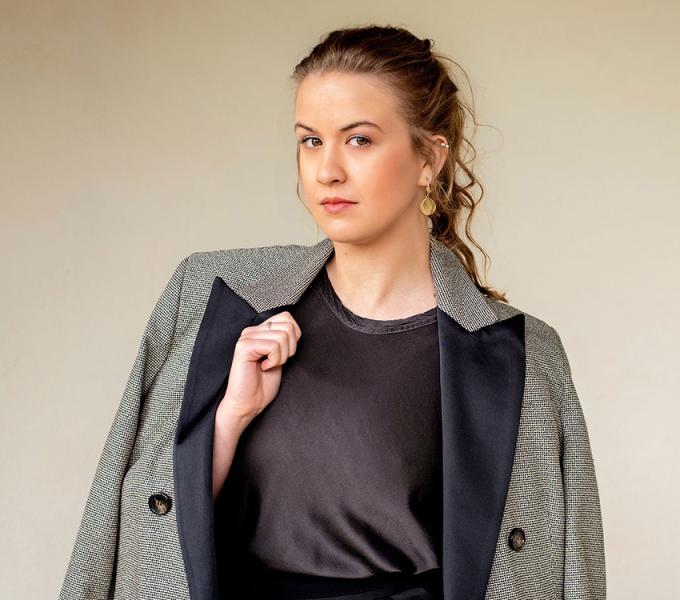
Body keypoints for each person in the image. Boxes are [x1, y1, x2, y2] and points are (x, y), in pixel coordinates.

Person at [60, 25, 605, 600]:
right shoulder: (212, 295)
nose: (327, 171)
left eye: (359, 140)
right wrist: (229, 418)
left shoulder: (520, 354)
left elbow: (571, 570)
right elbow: (129, 521)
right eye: (311, 141)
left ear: (430, 159)